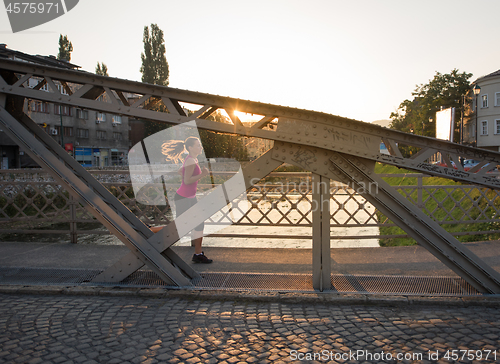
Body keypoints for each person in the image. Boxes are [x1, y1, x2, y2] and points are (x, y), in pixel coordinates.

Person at [155, 136, 212, 263]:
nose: (200, 147)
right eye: (198, 145)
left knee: (198, 224)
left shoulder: (192, 160)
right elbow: (186, 180)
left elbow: (181, 171)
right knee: (179, 228)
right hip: (184, 198)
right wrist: (202, 175)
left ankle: (198, 254)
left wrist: (192, 174)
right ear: (190, 148)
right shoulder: (191, 161)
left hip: (189, 197)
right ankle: (150, 230)